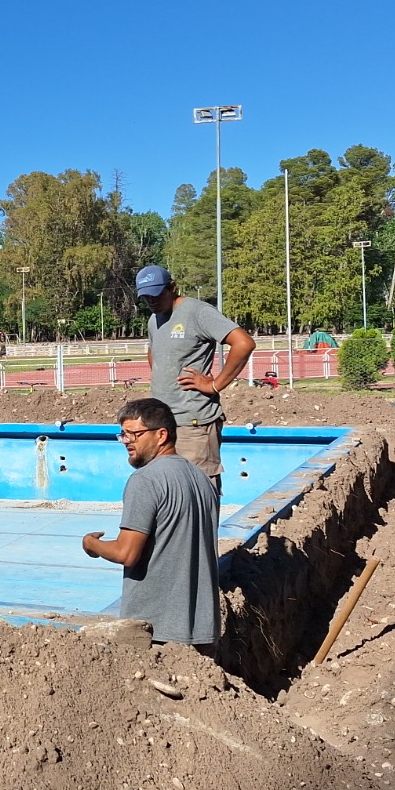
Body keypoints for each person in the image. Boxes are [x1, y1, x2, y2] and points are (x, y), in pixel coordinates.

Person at [82, 398, 220, 653]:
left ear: (161, 435)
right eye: (123, 435)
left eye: (134, 434)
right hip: (203, 630)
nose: (126, 442)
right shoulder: (203, 480)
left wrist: (91, 544)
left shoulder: (145, 480)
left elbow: (126, 554)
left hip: (158, 632)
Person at [135, 265, 255, 494]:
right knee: (169, 493)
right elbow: (155, 353)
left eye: (157, 293)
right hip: (162, 424)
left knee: (200, 493)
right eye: (146, 297)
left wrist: (214, 384)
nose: (152, 300)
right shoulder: (154, 319)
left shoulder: (198, 312)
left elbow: (244, 343)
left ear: (172, 287)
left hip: (194, 424)